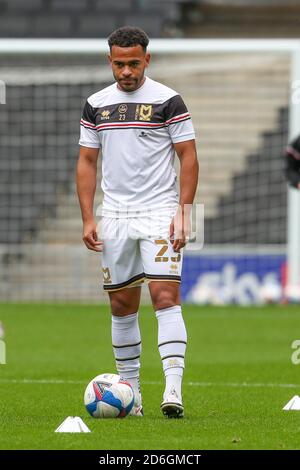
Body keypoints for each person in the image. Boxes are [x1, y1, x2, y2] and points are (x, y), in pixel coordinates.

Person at [76, 26, 199, 418]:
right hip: (114, 216)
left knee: (165, 296)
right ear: (109, 61)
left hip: (160, 212)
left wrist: (184, 212)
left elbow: (189, 156)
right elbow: (87, 162)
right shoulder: (96, 104)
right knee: (122, 305)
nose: (126, 71)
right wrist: (87, 216)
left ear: (147, 59)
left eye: (133, 63)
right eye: (119, 64)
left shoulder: (169, 100)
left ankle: (174, 390)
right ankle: (133, 397)